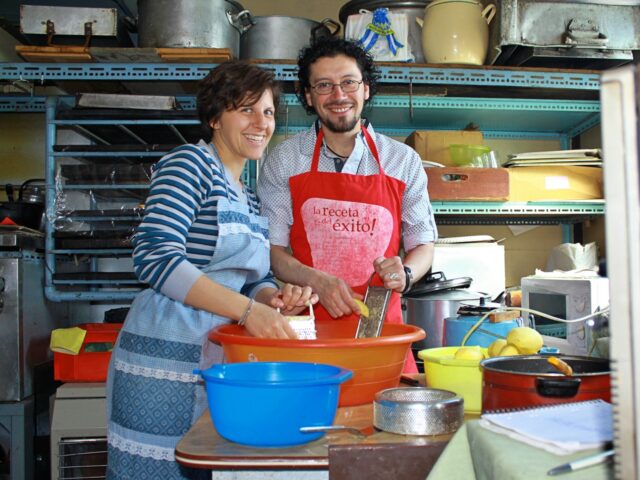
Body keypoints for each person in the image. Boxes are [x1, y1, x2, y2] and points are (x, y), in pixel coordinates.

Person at [106, 61, 317, 480]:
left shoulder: (249, 195)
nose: (261, 123)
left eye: (269, 112)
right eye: (247, 109)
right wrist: (247, 311)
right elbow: (154, 256)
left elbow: (252, 279)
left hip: (217, 357)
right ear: (214, 118)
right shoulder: (188, 165)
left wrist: (271, 298)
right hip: (165, 353)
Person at [257, 38, 438, 373]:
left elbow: (423, 243)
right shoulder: (285, 159)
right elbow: (272, 250)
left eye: (348, 82)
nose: (338, 95)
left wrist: (407, 273)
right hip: (307, 329)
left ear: (366, 89)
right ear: (309, 96)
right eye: (324, 85)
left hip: (382, 332)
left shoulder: (402, 160)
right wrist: (318, 281)